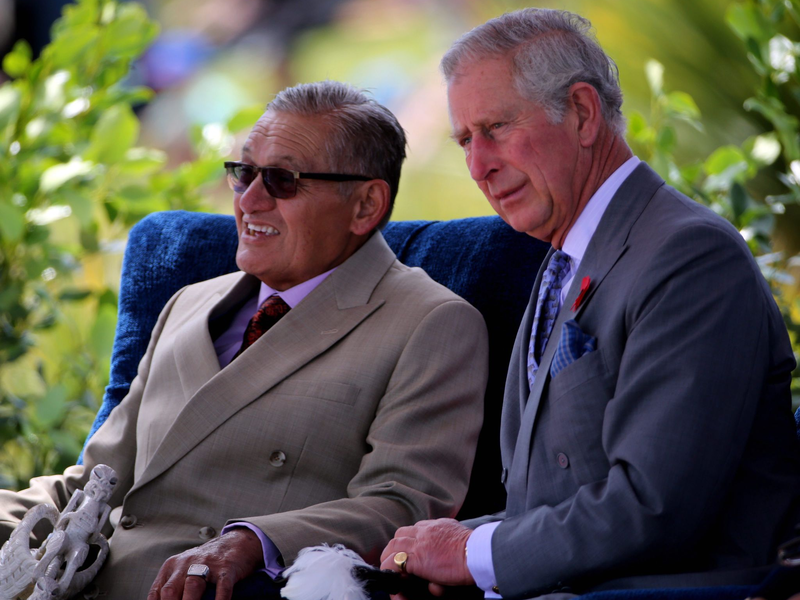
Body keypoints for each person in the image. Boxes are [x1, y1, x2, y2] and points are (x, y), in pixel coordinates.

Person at [0, 80, 489, 600]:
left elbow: (402, 506)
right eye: (244, 173)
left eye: (282, 180)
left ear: (366, 205)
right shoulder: (188, 303)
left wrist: (254, 542)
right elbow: (94, 482)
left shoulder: (429, 323)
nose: (249, 202)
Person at [380, 8, 800, 599]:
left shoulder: (690, 255)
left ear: (581, 113)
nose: (478, 166)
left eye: (496, 127)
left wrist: (471, 553)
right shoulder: (564, 256)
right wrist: (448, 548)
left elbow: (653, 509)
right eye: (466, 140)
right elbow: (548, 503)